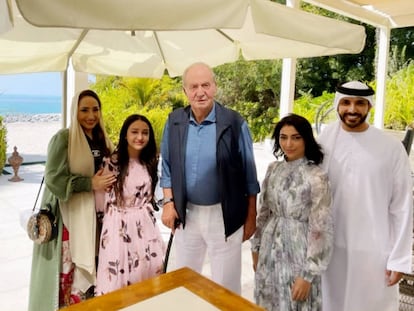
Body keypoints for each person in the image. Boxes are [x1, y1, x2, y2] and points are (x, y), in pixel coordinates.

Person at [160, 62, 260, 294]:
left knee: (226, 286)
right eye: (193, 86)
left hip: (224, 214)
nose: (200, 92)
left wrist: (251, 215)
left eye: (205, 85)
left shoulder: (235, 122)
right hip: (188, 214)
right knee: (184, 282)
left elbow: (250, 175)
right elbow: (166, 167)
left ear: (215, 87)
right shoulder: (174, 121)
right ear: (185, 91)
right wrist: (168, 202)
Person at [318, 81, 413, 311]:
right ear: (337, 104)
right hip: (329, 251)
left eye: (360, 103)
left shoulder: (390, 148)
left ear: (369, 107)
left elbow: (402, 206)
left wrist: (399, 258)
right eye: (346, 102)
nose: (352, 109)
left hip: (374, 251)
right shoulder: (322, 142)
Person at [28, 90, 116, 310]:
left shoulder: (103, 139)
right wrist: (89, 184)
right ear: (74, 111)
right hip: (69, 219)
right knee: (69, 275)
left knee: (94, 274)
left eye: (95, 109)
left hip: (97, 218)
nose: (91, 115)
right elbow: (54, 179)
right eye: (84, 109)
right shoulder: (63, 139)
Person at [250, 113, 333, 310]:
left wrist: (308, 274)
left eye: (296, 137)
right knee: (267, 301)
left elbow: (321, 226)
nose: (289, 144)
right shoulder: (273, 169)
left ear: (306, 139)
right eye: (283, 137)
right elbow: (263, 212)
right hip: (269, 249)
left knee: (296, 303)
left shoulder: (316, 176)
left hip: (298, 251)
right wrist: (256, 247)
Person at [95, 114, 165, 295]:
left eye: (145, 133)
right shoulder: (112, 162)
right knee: (118, 280)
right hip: (118, 227)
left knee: (150, 272)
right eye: (134, 132)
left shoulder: (151, 161)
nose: (140, 137)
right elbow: (101, 201)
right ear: (125, 134)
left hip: (145, 225)